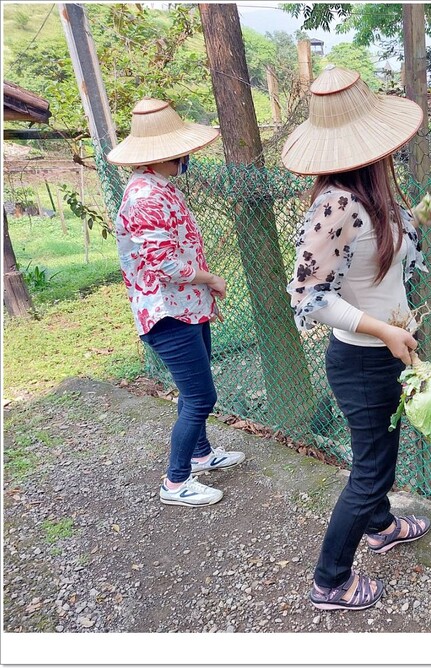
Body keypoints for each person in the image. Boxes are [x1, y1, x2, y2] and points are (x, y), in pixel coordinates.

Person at [282, 65, 431, 611]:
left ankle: (380, 526)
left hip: (386, 356)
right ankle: (330, 581)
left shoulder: (369, 194)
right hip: (362, 361)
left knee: (383, 452)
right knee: (369, 469)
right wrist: (382, 329)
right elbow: (308, 295)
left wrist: (422, 215)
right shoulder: (336, 204)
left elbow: (381, 253)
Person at [107, 98, 245, 508]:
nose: (186, 158)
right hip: (167, 313)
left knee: (192, 391)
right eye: (181, 152)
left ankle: (201, 454)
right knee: (201, 396)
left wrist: (203, 294)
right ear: (164, 155)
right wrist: (211, 279)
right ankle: (175, 481)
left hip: (185, 305)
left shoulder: (160, 188)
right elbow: (164, 263)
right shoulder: (145, 198)